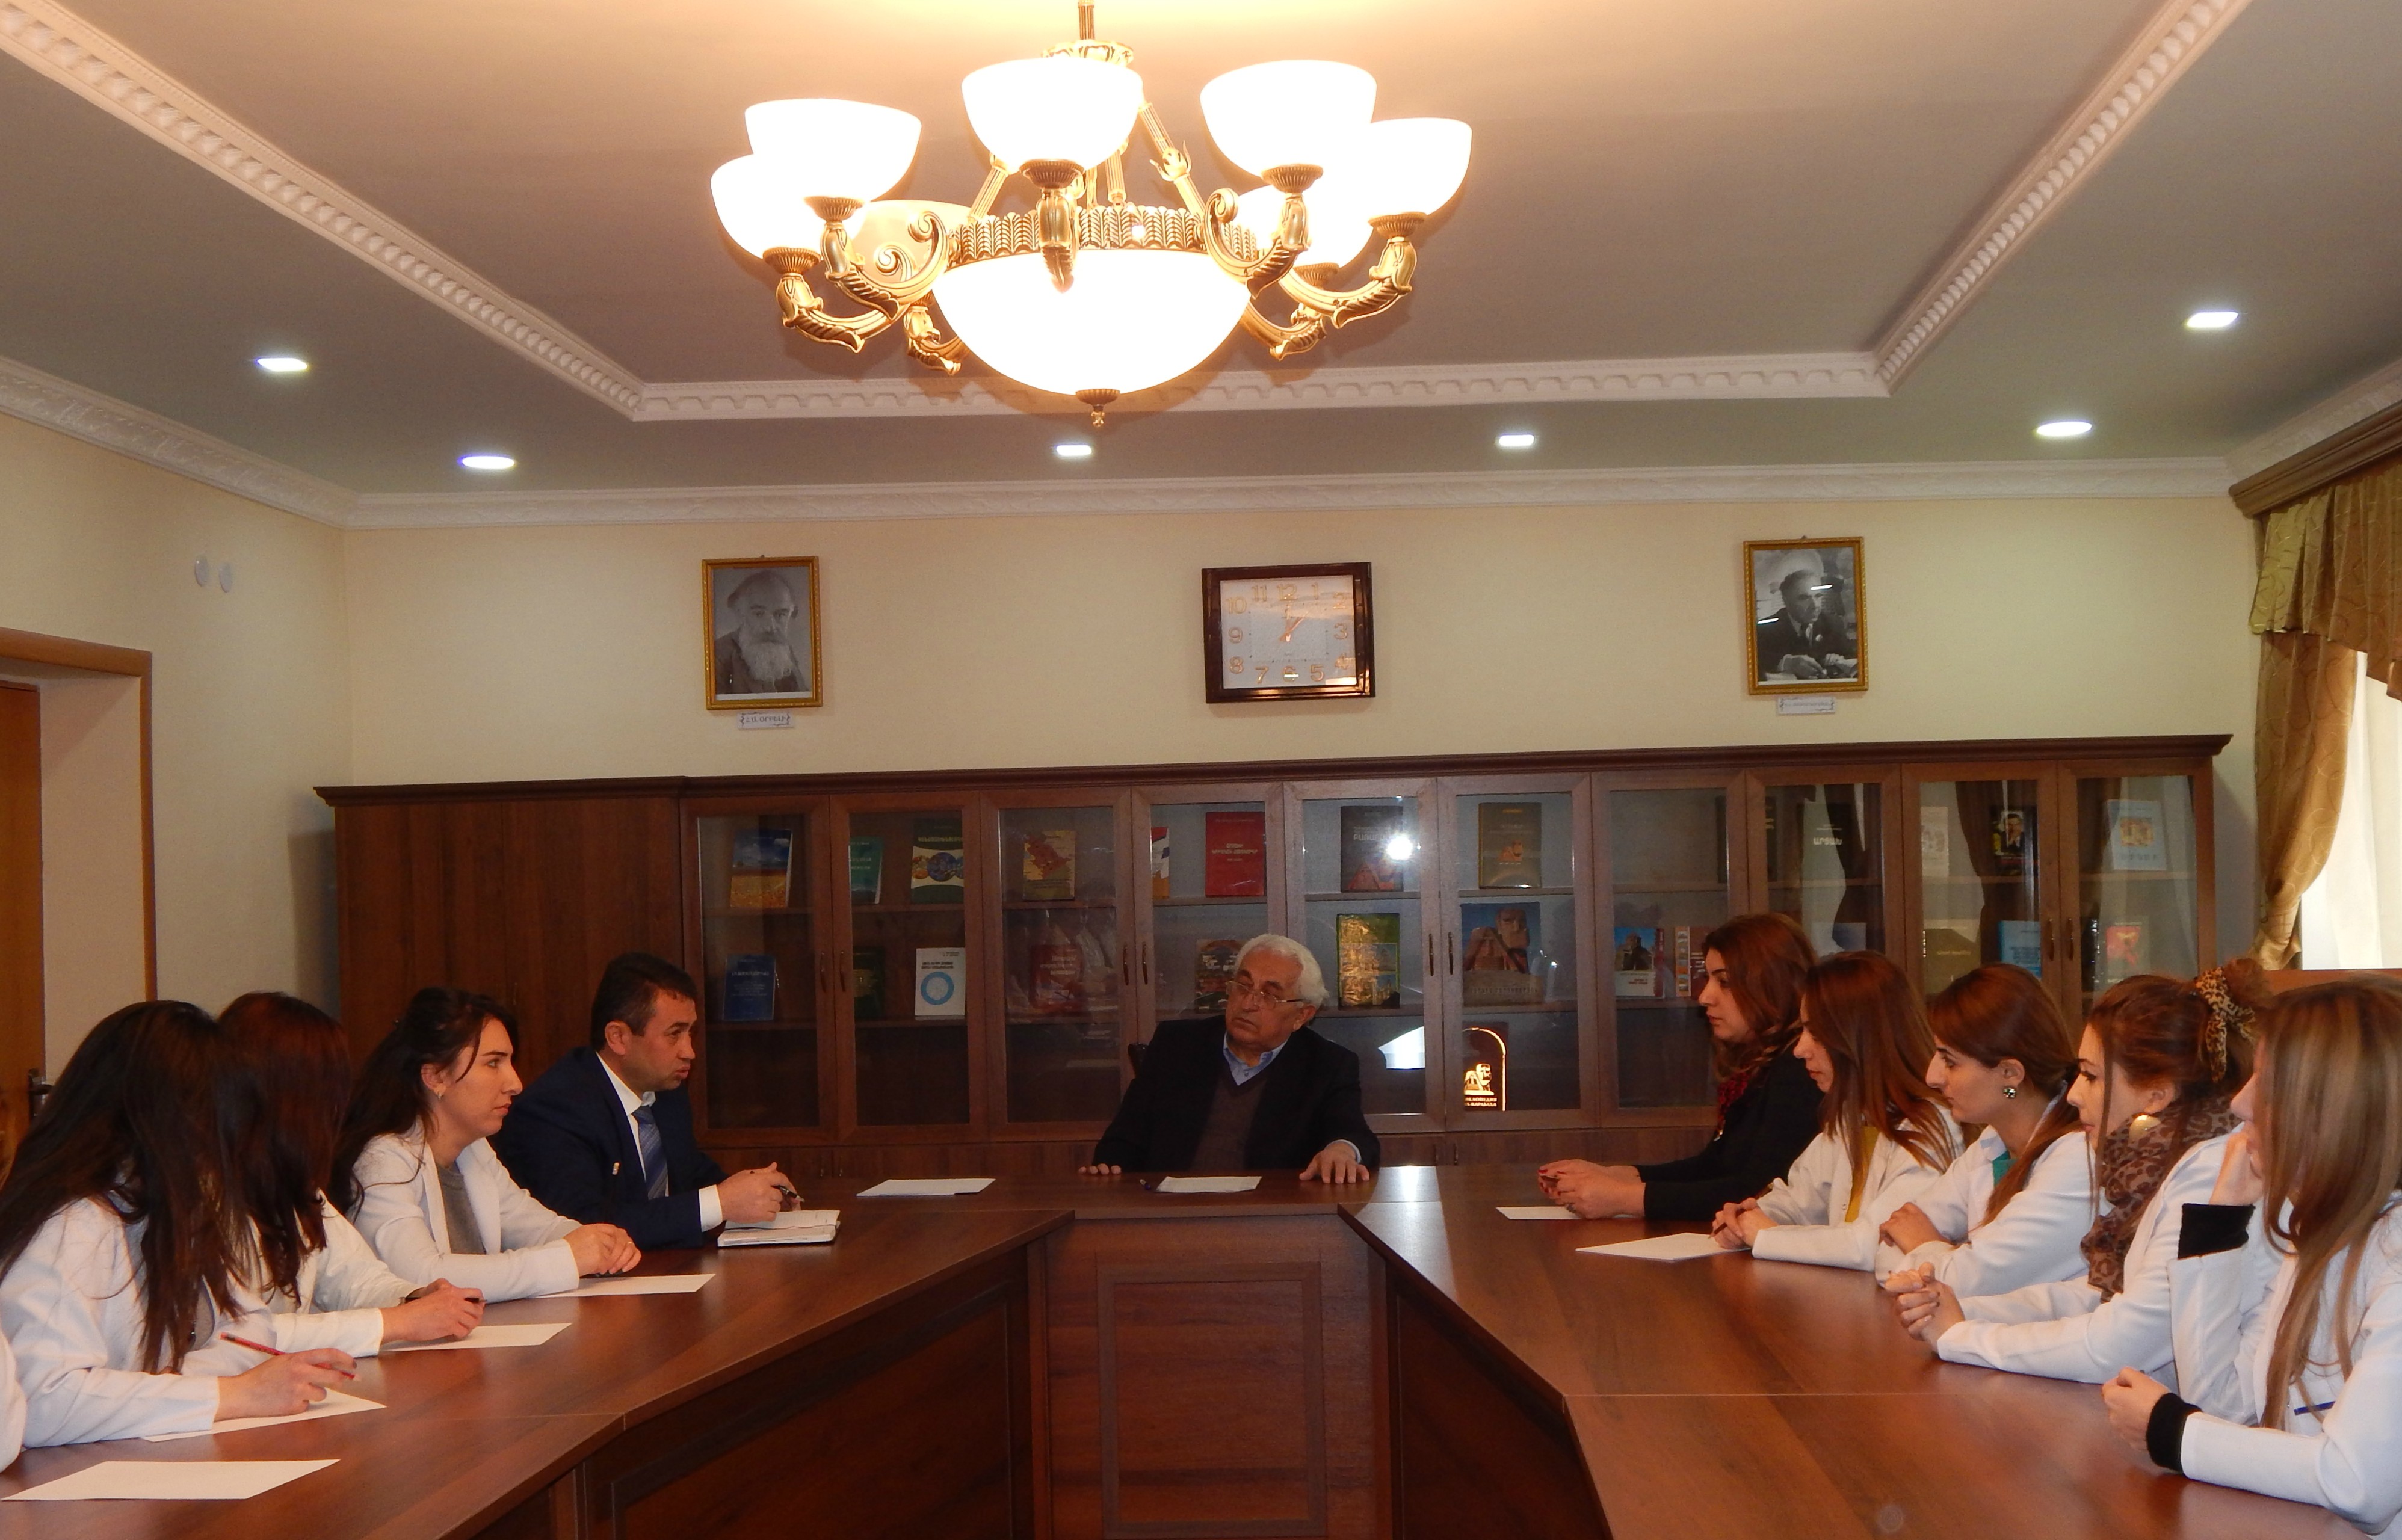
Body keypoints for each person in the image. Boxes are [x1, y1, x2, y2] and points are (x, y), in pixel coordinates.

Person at [2099, 975, 2402, 1535]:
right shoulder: (2324, 1234)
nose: (2240, 1103)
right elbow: (2225, 1404)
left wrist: (2174, 1433)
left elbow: (2358, 1483)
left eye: (2269, 1083)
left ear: (2334, 1110)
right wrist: (2217, 1224)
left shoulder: (2393, 1254)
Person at [1885, 964, 2257, 1386]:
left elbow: (2118, 1343)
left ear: (2156, 1095)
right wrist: (1960, 1308)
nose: (2075, 1093)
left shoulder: (2204, 1177)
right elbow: (2098, 1297)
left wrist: (1962, 1332)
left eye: (2092, 1077)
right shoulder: (2151, 1164)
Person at [0, 1002, 353, 1444]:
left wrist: (170, 1386)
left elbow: (249, 1327)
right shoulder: (72, 1221)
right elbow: (44, 1402)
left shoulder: (167, 1202)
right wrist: (233, 1394)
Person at [213, 993, 485, 1360]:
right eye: (326, 1090)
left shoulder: (292, 1179)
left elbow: (354, 1277)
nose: (335, 1108)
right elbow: (239, 1335)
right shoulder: (205, 1194)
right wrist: (397, 1322)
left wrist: (412, 1299)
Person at [335, 988, 641, 1302]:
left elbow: (533, 1226)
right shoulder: (382, 1158)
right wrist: (567, 1258)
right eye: (493, 1063)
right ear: (436, 1077)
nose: (516, 1084)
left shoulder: (474, 1148)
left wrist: (600, 1242)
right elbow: (421, 1278)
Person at [495, 953, 793, 1248]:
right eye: (674, 1034)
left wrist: (756, 1191)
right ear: (618, 1038)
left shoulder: (666, 1090)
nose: (689, 1051)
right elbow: (586, 1225)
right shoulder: (554, 1109)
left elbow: (690, 1173)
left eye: (690, 1033)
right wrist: (720, 1202)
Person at [1538, 913, 1819, 1219]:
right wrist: (1618, 1176)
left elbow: (1758, 1192)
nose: (1705, 997)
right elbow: (1714, 1166)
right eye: (1708, 979)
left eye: (1724, 982)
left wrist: (1624, 1198)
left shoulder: (1801, 1068)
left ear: (1773, 985)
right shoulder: (1763, 1063)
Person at [1709, 951, 1959, 1266]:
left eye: (1815, 1033)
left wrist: (1766, 1235)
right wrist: (1748, 1217)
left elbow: (1876, 1244)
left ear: (1861, 1039)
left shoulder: (1931, 1128)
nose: (1800, 1050)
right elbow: (1799, 1201)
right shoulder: (1850, 1118)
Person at [1082, 934, 1379, 1181]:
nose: (1248, 1003)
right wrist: (1110, 1170)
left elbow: (1354, 1133)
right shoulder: (1176, 1046)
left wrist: (1342, 1150)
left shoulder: (1327, 1064)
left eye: (1269, 995)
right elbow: (1123, 1140)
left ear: (1302, 1016)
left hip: (1269, 1220)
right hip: (1171, 1214)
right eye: (1243, 986)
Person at [1876, 964, 2093, 1295]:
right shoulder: (1993, 1142)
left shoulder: (2078, 1158)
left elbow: (1973, 1283)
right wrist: (1948, 1258)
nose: (1932, 1077)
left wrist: (1926, 1246)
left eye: (1950, 1062)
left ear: (2010, 1074)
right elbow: (1887, 1249)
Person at [713, 568, 806, 696]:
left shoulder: (782, 650)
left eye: (780, 615)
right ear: (741, 613)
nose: (770, 627)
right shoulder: (718, 655)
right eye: (759, 614)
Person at [1755, 568, 1857, 682]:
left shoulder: (1833, 623)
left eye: (1818, 596)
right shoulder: (1765, 629)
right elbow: (1755, 665)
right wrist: (1786, 663)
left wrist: (1840, 659)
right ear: (1786, 601)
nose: (1815, 605)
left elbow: (1852, 658)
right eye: (1804, 598)